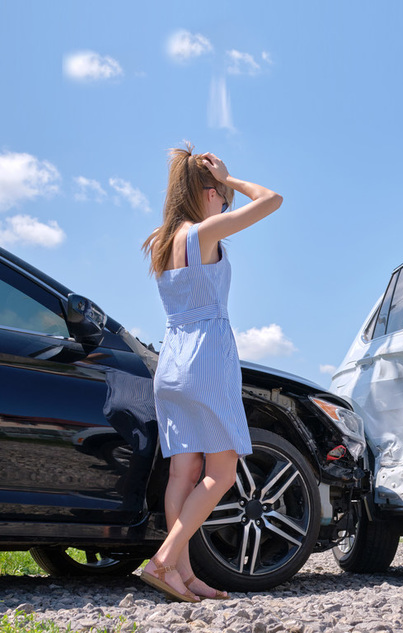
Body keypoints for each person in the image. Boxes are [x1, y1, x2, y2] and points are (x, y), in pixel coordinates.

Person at [140, 143, 282, 602]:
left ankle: (182, 575)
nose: (225, 202)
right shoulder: (204, 233)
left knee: (184, 472)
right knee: (220, 472)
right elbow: (272, 199)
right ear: (205, 192)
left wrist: (220, 182)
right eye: (221, 195)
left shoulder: (160, 241)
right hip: (206, 360)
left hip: (172, 363)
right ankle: (164, 561)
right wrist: (232, 175)